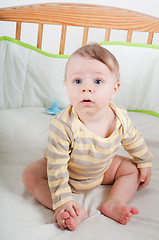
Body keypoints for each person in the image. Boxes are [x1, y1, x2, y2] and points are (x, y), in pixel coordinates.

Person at [22, 43, 152, 231]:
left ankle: (114, 202)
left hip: (101, 170)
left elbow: (134, 139)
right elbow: (57, 167)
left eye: (97, 81)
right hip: (66, 172)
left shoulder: (120, 118)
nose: (86, 88)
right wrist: (63, 199)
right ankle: (66, 208)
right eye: (77, 81)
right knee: (30, 174)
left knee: (132, 169)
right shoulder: (63, 125)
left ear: (114, 89)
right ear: (67, 86)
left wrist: (144, 161)